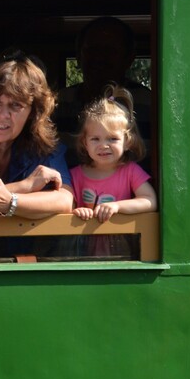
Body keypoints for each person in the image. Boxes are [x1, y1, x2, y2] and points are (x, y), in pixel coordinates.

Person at [0, 54, 73, 257]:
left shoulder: (45, 148)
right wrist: (24, 188)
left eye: (16, 106)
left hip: (22, 268)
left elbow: (65, 200)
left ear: (33, 113)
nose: (2, 115)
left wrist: (10, 202)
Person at [70, 84, 158, 257]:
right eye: (95, 139)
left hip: (121, 250)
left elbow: (150, 201)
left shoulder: (131, 171)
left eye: (112, 138)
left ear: (127, 141)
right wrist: (76, 211)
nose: (104, 146)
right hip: (81, 250)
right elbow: (65, 205)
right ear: (84, 142)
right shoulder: (75, 175)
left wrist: (116, 206)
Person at [57, 16, 153, 142]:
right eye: (92, 49)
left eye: (110, 50)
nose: (99, 57)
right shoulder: (58, 103)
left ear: (129, 58)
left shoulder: (149, 103)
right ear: (78, 56)